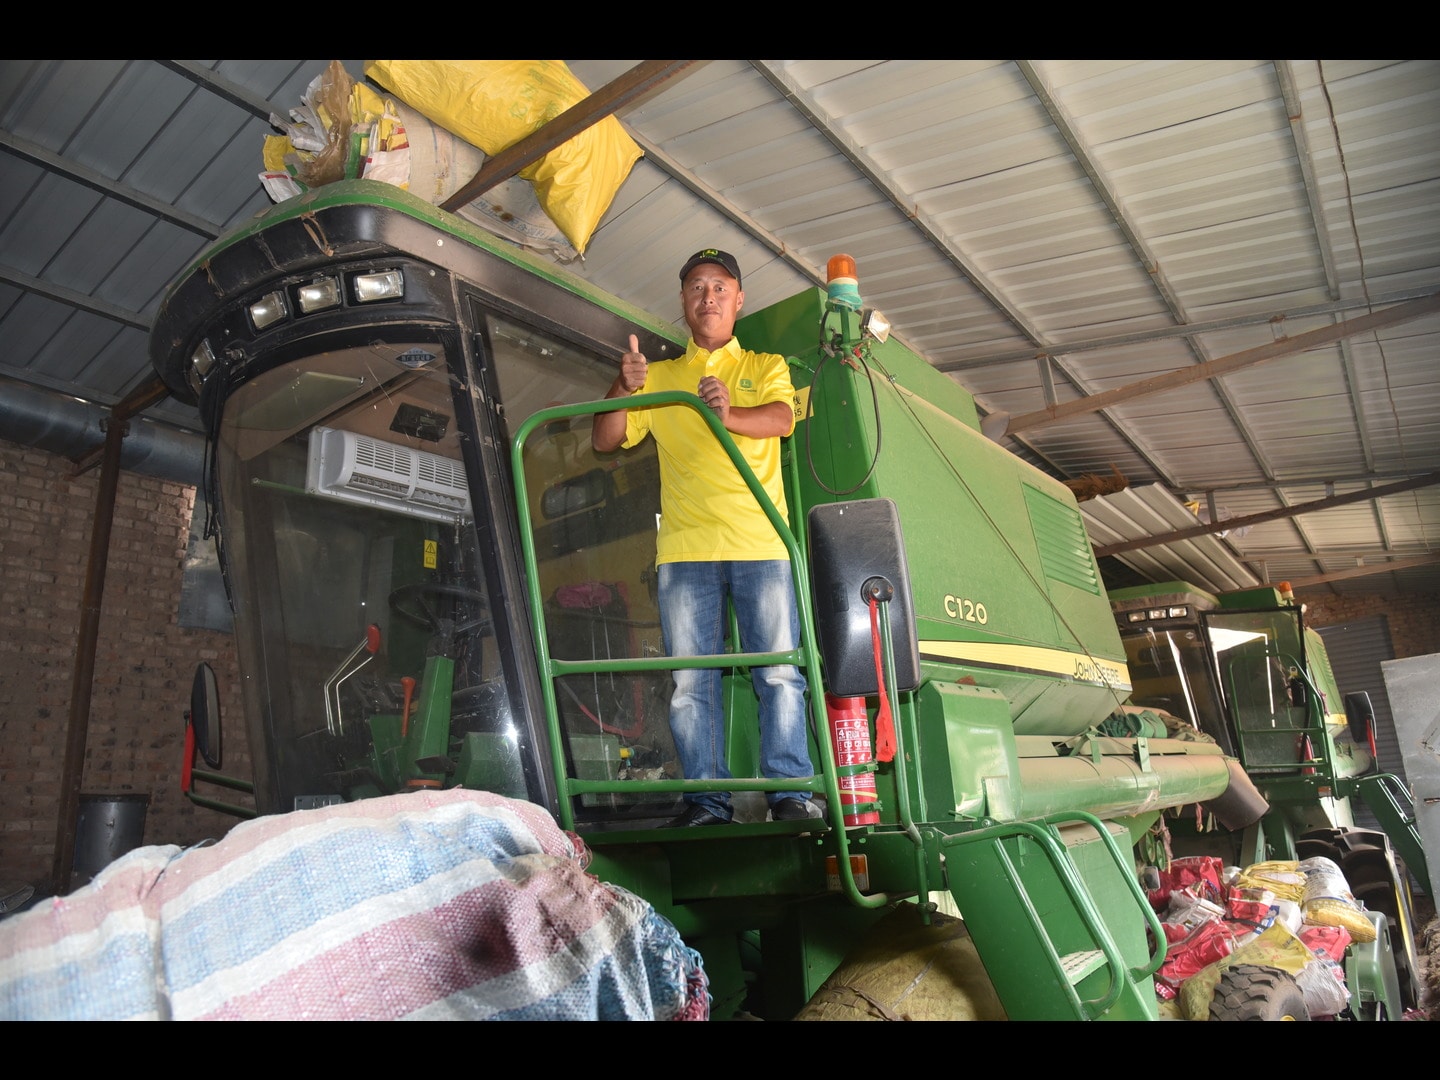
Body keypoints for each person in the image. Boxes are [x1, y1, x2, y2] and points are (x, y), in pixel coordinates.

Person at [592, 249, 818, 827]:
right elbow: (605, 438)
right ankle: (707, 802)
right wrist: (623, 384)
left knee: (778, 674)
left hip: (762, 545)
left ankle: (790, 794)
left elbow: (781, 420)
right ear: (684, 303)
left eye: (720, 286)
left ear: (739, 300)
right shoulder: (661, 378)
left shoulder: (767, 365)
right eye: (697, 286)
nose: (708, 296)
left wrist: (726, 413)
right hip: (685, 554)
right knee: (692, 683)